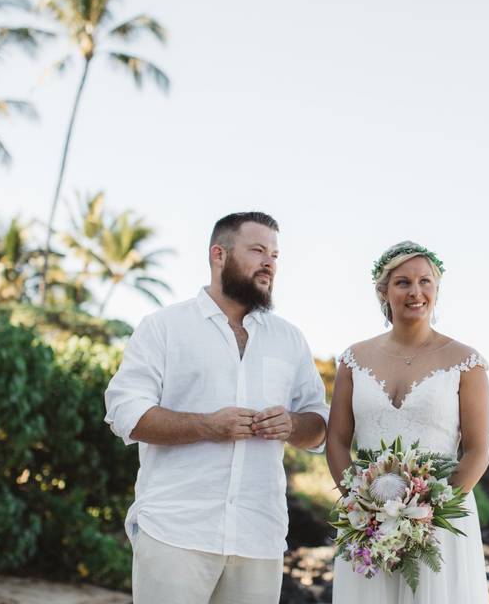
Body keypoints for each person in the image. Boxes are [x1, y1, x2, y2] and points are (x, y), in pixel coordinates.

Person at [104, 211, 330, 604]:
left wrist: (291, 425)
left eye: (275, 255)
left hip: (259, 535)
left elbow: (320, 424)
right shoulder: (164, 326)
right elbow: (127, 412)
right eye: (258, 250)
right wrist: (207, 426)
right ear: (218, 254)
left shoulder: (289, 339)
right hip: (176, 530)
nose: (269, 263)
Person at [326, 241, 489, 603]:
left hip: (441, 524)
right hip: (367, 525)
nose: (416, 292)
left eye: (425, 281)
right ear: (383, 291)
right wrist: (360, 506)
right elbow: (337, 441)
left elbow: (478, 451)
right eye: (402, 283)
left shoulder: (467, 362)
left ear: (437, 287)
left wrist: (430, 515)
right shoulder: (353, 360)